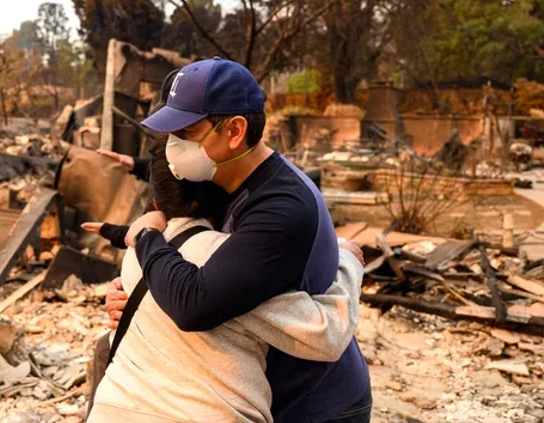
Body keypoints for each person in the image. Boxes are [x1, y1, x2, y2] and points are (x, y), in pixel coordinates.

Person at [112, 57, 371, 423]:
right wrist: (133, 290)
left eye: (184, 132)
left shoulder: (281, 208)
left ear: (234, 131)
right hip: (267, 391)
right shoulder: (218, 179)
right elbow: (197, 257)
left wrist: (146, 236)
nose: (173, 146)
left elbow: (195, 304)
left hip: (314, 403)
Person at [84, 140, 364, 423]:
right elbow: (327, 332)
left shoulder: (139, 250)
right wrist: (348, 260)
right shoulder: (230, 263)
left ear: (157, 202)